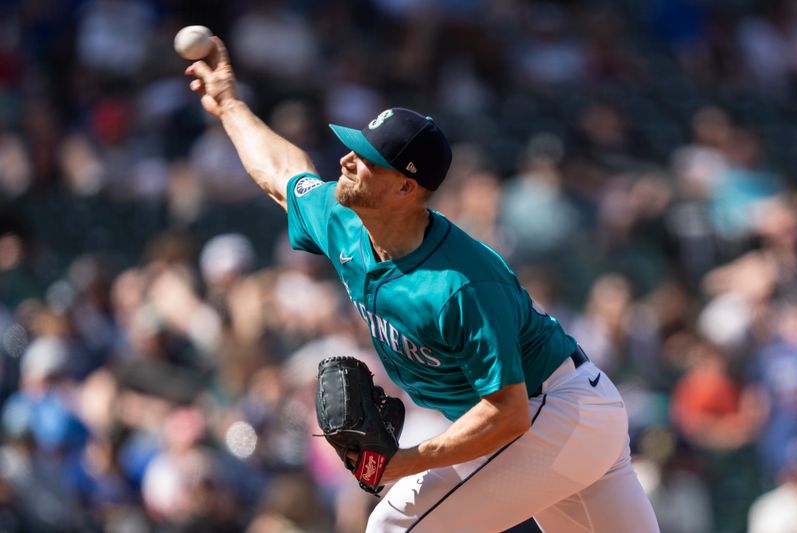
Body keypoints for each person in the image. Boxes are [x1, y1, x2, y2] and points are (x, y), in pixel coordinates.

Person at [185, 37, 660, 533]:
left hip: (551, 412)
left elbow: (508, 414)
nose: (347, 159)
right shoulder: (345, 220)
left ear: (406, 188)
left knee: (393, 527)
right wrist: (230, 104)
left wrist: (404, 462)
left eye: (367, 157)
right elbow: (281, 172)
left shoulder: (459, 283)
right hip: (575, 418)